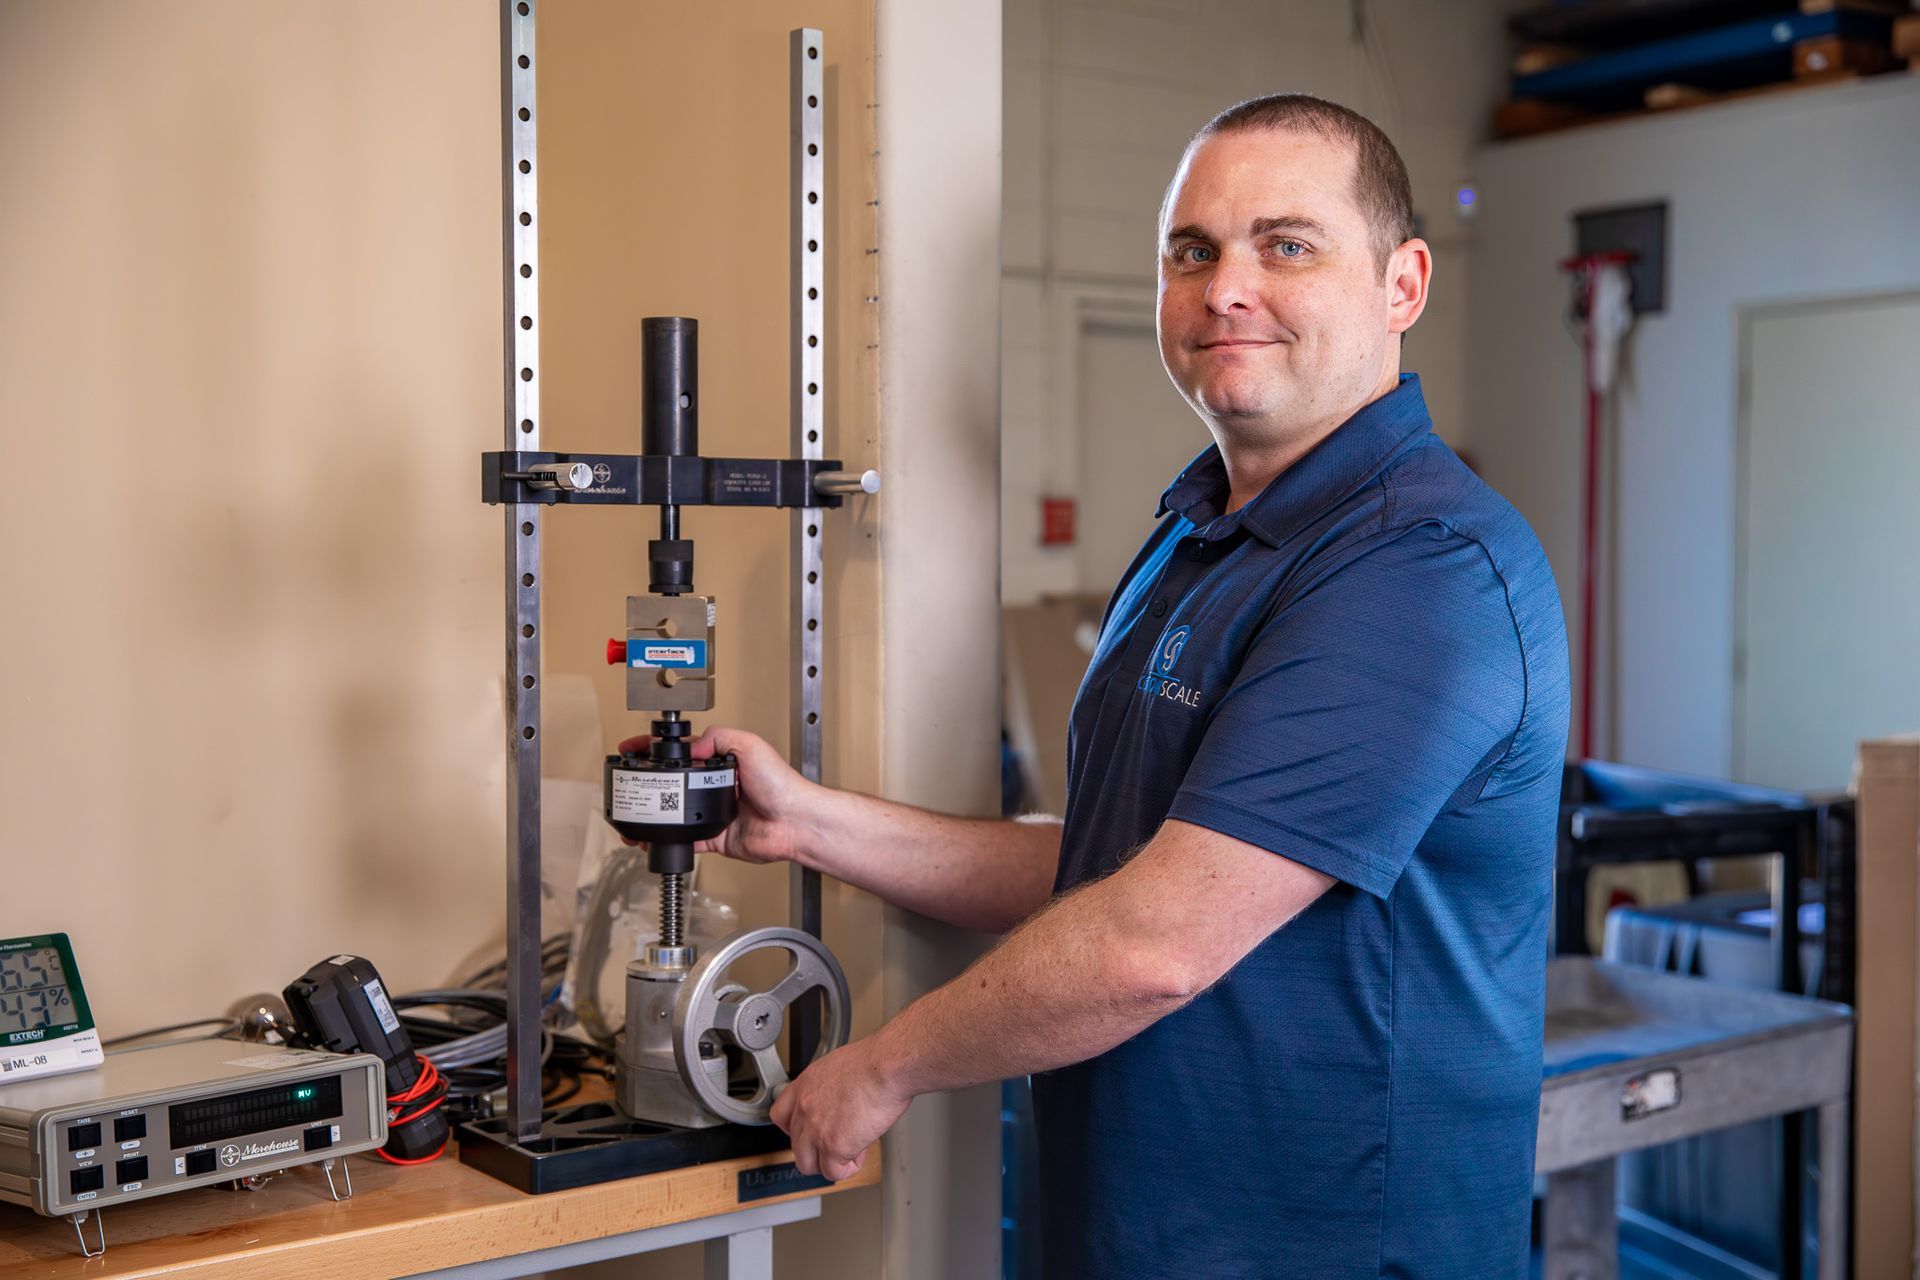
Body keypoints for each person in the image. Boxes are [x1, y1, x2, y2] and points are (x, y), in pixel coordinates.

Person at [632, 95, 1570, 1278]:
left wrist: (885, 1065)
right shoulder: (1198, 534)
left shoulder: (1424, 570)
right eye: (1195, 250)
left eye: (1287, 244)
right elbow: (1117, 862)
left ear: (1403, 283)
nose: (1228, 287)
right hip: (1135, 1231)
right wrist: (809, 821)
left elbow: (1152, 941)